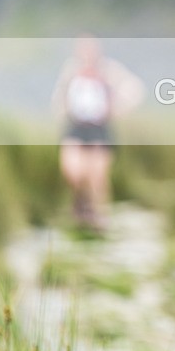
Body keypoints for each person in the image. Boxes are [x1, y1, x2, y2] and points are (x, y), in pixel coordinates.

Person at [51, 34, 144, 234]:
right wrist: (62, 110)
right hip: (76, 126)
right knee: (72, 170)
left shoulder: (108, 70)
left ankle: (99, 218)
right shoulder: (71, 70)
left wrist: (117, 108)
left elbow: (134, 89)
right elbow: (60, 95)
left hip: (99, 128)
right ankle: (81, 203)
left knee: (98, 176)